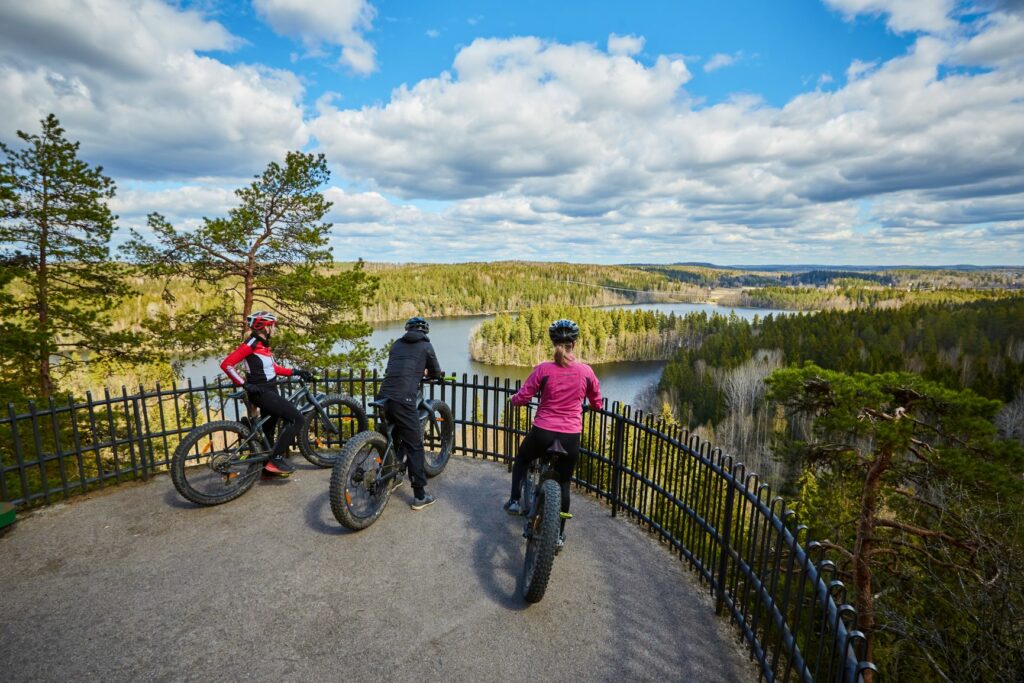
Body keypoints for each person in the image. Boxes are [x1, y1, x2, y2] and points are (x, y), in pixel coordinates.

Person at [506, 319, 602, 548]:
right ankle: (558, 535)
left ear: (553, 343)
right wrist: (589, 406)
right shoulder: (586, 371)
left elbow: (524, 396)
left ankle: (514, 501)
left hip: (543, 433)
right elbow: (597, 403)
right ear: (574, 344)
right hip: (570, 438)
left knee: (522, 458)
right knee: (565, 483)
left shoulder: (543, 369)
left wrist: (514, 401)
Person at [220, 311, 315, 477]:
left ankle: (267, 468)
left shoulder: (262, 345)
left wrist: (296, 372)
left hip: (269, 389)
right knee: (297, 419)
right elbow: (227, 365)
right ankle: (275, 459)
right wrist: (245, 384)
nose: (275, 328)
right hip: (261, 392)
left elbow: (273, 369)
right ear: (265, 327)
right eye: (273, 325)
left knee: (269, 429)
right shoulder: (251, 343)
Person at [378, 316, 445, 510]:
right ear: (424, 332)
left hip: (384, 397)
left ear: (408, 330)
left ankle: (393, 475)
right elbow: (435, 371)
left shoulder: (396, 344)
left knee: (395, 436)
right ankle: (420, 496)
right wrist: (432, 375)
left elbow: (394, 367)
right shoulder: (426, 346)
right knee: (415, 446)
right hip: (404, 399)